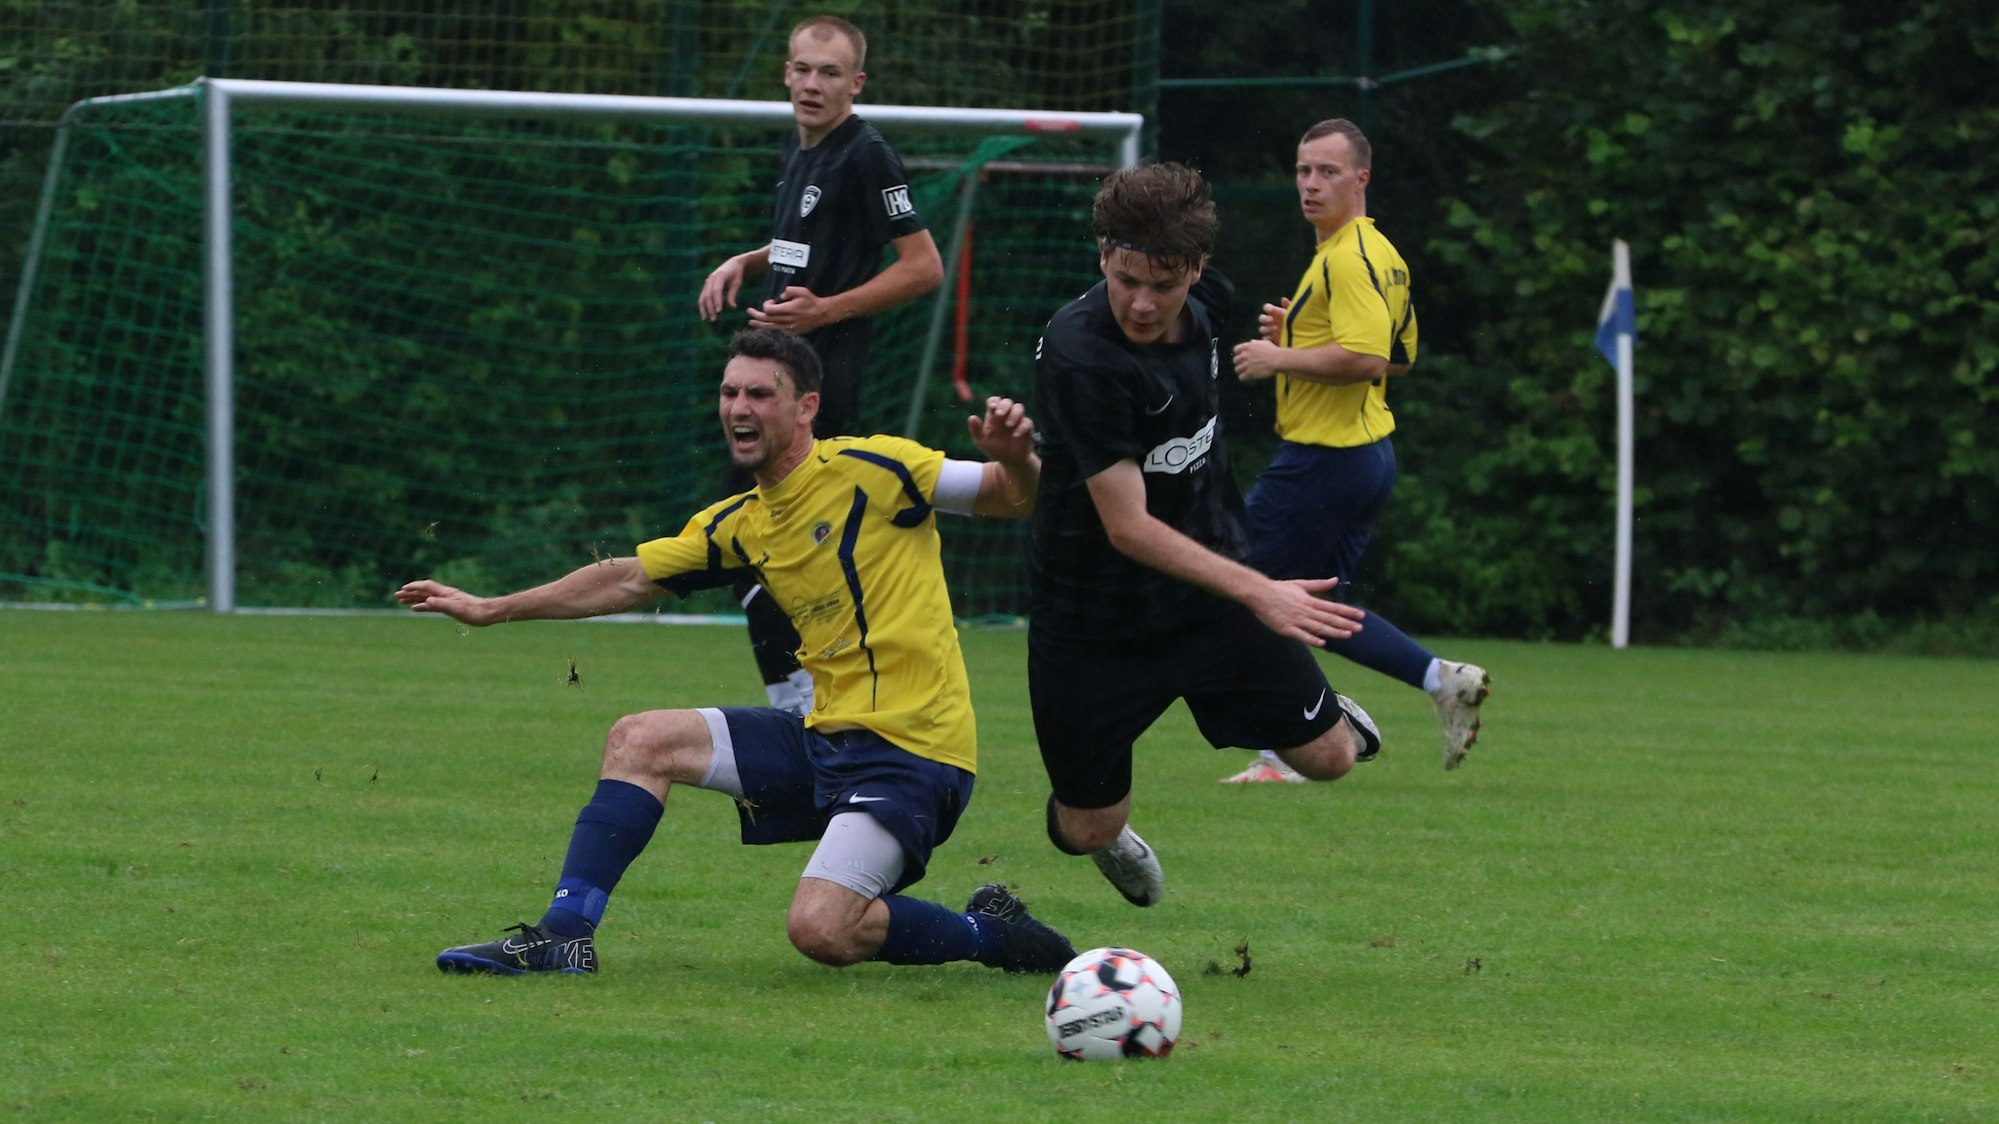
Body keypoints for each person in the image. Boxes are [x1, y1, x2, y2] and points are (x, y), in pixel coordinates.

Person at [398, 327, 1073, 976]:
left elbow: (1013, 496)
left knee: (821, 930)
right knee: (640, 739)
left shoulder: (878, 468)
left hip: (913, 754)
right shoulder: (739, 522)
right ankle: (564, 937)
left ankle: (997, 934)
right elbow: (628, 576)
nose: (737, 409)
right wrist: (492, 609)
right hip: (824, 740)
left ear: (806, 406)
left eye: (758, 394)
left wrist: (1013, 455)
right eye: (729, 394)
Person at [1025, 162, 1382, 909]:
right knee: (1086, 827)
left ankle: (1318, 708)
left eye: (1163, 284)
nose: (1143, 303)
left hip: (1205, 592)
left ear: (1197, 268)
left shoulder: (1211, 303)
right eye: (1125, 280)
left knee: (1330, 759)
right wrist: (1263, 593)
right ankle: (1109, 837)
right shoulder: (1080, 352)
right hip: (1092, 617)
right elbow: (1126, 527)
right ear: (1102, 257)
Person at [697, 15, 945, 720]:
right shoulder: (804, 149)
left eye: (829, 73)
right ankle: (811, 699)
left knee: (751, 541)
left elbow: (923, 268)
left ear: (855, 83)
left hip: (816, 388)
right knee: (762, 542)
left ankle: (806, 702)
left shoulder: (866, 155)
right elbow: (802, 247)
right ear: (785, 72)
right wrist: (742, 262)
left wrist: (826, 311)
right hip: (779, 380)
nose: (812, 83)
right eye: (803, 68)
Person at [1228, 118, 1489, 781]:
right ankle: (1440, 679)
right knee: (1319, 608)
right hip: (1364, 457)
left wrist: (1276, 354)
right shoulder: (1376, 251)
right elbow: (1397, 360)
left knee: (1245, 594)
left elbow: (1369, 357)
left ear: (1361, 178)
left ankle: (1290, 745)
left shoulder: (1345, 257)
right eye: (1302, 170)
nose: (1310, 185)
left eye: (1327, 172)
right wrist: (1296, 336)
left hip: (1322, 461)